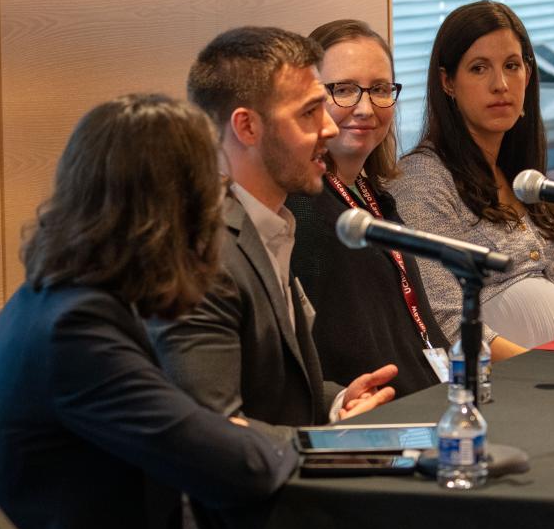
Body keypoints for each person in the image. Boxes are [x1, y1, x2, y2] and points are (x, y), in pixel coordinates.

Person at [0, 94, 299, 529]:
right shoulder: (76, 331)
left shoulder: (48, 297)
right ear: (174, 208)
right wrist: (288, 439)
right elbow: (241, 467)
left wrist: (225, 431)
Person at [151, 27, 397, 436]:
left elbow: (276, 389)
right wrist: (324, 443)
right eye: (308, 113)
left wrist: (338, 403)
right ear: (247, 128)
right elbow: (210, 431)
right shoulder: (200, 255)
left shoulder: (270, 223)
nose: (330, 129)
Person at [390, 0, 554, 353]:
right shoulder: (422, 179)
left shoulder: (522, 176)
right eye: (478, 68)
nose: (500, 84)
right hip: (503, 387)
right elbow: (446, 320)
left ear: (529, 75)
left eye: (511, 66)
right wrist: (542, 367)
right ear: (448, 83)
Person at [285, 19, 451, 396]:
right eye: (343, 90)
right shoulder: (303, 213)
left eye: (379, 89)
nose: (365, 108)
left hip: (426, 395)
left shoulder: (374, 195)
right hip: (369, 416)